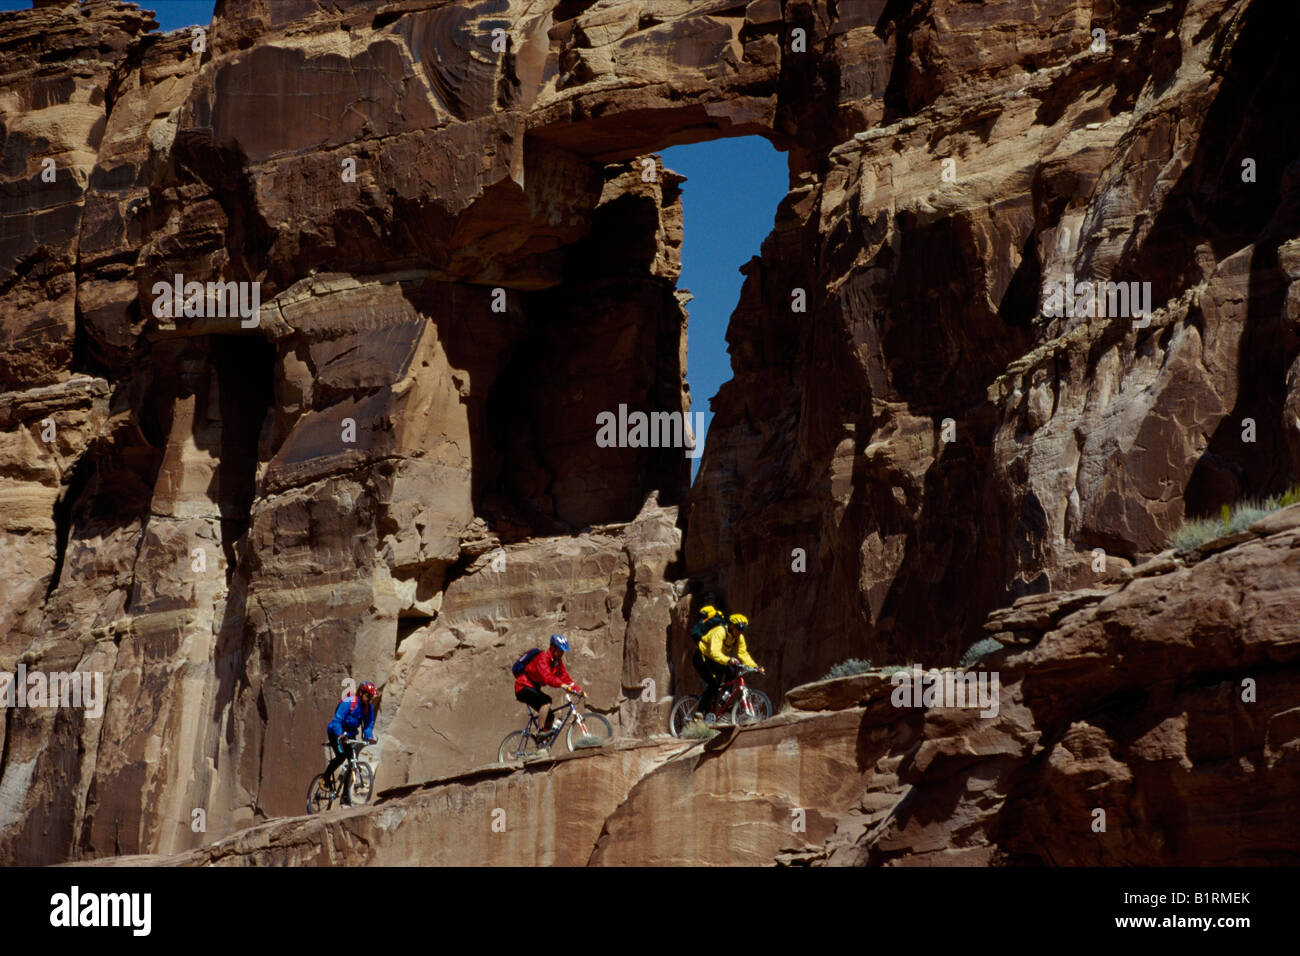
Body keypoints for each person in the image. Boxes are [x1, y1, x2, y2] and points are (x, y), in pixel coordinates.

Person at [514, 634, 583, 746]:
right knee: (546, 701)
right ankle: (540, 733)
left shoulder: (557, 662)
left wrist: (579, 691)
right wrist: (562, 685)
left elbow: (566, 678)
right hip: (522, 686)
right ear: (552, 647)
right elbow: (547, 677)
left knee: (550, 716)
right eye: (560, 650)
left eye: (563, 651)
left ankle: (542, 746)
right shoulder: (542, 657)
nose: (562, 653)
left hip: (533, 687)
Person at [694, 612, 762, 720]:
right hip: (702, 657)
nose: (740, 632)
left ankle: (724, 703)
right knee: (713, 683)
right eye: (739, 628)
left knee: (731, 672)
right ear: (732, 625)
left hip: (715, 660)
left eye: (742, 629)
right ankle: (700, 711)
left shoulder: (739, 637)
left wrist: (755, 666)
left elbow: (743, 653)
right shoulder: (720, 631)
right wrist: (729, 659)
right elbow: (713, 652)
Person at [324, 680, 377, 797]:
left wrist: (369, 737)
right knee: (342, 755)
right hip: (336, 731)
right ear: (361, 693)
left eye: (371, 697)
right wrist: (340, 735)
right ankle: (325, 777)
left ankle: (346, 796)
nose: (369, 699)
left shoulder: (369, 708)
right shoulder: (349, 702)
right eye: (368, 696)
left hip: (350, 734)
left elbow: (368, 725)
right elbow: (337, 720)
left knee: (352, 761)